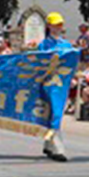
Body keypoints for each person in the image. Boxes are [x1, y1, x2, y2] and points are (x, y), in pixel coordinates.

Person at [35, 12, 71, 162]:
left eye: (60, 24)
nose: (58, 27)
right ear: (49, 26)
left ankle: (49, 144)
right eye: (55, 24)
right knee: (54, 112)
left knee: (54, 113)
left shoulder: (66, 45)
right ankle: (58, 148)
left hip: (62, 84)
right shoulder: (44, 45)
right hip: (49, 83)